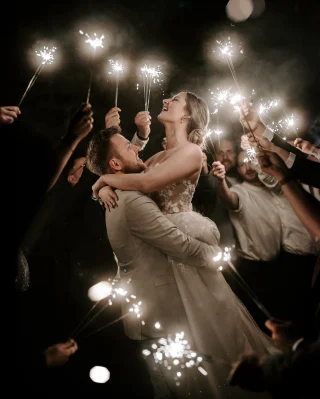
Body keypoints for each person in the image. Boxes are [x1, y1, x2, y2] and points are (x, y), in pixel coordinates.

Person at [88, 92, 275, 398]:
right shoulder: (157, 157)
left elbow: (145, 183)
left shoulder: (191, 152)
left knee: (210, 331)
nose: (167, 101)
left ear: (187, 116)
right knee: (183, 336)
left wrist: (101, 182)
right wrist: (103, 183)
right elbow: (127, 167)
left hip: (185, 248)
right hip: (164, 253)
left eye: (175, 100)